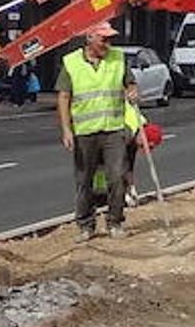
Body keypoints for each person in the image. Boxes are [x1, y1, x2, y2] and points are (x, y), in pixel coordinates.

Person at [57, 20, 139, 242]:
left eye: (110, 38)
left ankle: (115, 222)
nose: (108, 43)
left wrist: (132, 91)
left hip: (113, 129)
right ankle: (86, 225)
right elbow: (64, 96)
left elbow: (130, 83)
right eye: (104, 39)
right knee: (85, 181)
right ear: (89, 38)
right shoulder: (72, 63)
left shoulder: (118, 58)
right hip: (85, 132)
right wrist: (66, 129)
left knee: (116, 177)